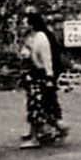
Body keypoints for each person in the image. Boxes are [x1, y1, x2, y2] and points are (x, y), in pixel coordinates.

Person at [18, 12, 69, 148]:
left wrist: (49, 77)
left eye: (25, 23)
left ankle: (35, 138)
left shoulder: (41, 38)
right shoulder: (31, 37)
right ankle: (57, 128)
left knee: (37, 106)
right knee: (43, 104)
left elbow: (47, 58)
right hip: (34, 74)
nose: (23, 26)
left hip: (40, 75)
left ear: (31, 24)